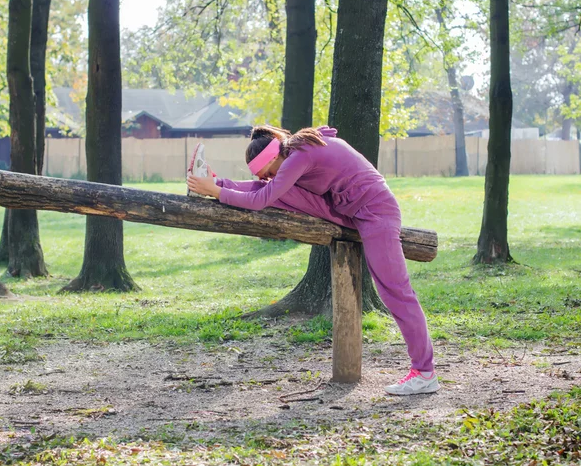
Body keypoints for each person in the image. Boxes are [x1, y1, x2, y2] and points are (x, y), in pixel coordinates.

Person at [187, 125, 438, 396]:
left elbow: (261, 199)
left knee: (396, 292)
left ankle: (425, 373)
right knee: (279, 192)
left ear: (275, 157)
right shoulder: (295, 151)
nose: (270, 177)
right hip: (347, 209)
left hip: (376, 212)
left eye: (270, 172)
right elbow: (267, 190)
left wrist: (217, 194)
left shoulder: (300, 156)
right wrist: (216, 187)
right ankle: (211, 182)